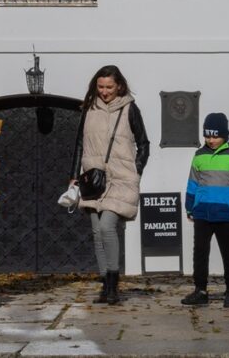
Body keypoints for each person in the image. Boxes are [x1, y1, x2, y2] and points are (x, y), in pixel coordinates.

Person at [70, 65, 150, 305]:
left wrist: (136, 170)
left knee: (107, 227)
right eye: (100, 86)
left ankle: (114, 285)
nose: (104, 91)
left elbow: (144, 143)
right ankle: (106, 285)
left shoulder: (129, 108)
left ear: (119, 86)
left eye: (109, 87)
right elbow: (79, 143)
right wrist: (74, 174)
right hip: (93, 178)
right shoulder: (89, 109)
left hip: (121, 177)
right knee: (96, 232)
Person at [181, 112, 229, 309]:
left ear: (225, 134)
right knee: (200, 252)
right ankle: (200, 290)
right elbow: (192, 183)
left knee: (228, 252)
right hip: (202, 212)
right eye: (207, 136)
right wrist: (189, 206)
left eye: (215, 136)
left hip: (227, 213)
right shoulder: (199, 155)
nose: (211, 140)